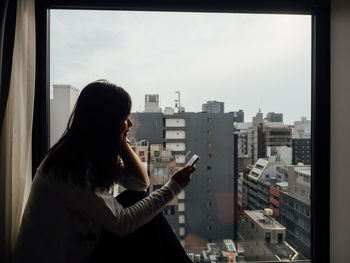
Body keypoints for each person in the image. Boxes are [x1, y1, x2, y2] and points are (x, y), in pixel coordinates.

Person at [13, 80, 195, 263]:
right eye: (124, 118)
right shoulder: (70, 167)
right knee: (148, 224)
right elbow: (121, 223)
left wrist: (122, 140)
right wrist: (172, 187)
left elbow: (140, 184)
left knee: (136, 199)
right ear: (108, 123)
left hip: (81, 249)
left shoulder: (82, 154)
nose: (129, 124)